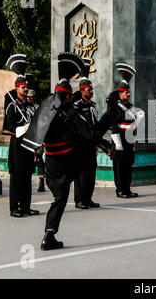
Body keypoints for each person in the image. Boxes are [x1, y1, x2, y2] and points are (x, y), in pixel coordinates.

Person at [22, 52, 112, 250]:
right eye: (71, 96)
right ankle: (52, 232)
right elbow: (87, 134)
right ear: (68, 96)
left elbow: (33, 133)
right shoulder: (69, 112)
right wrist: (105, 146)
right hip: (68, 161)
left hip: (51, 163)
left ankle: (50, 234)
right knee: (84, 166)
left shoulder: (46, 107)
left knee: (60, 197)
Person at [97, 63, 144, 198]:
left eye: (129, 92)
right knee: (119, 166)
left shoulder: (128, 105)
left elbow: (134, 120)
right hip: (119, 138)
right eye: (126, 92)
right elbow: (113, 124)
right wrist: (117, 141)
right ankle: (120, 190)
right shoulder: (114, 107)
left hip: (129, 138)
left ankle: (127, 188)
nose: (128, 94)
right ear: (120, 93)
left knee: (128, 165)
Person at [4, 54, 39, 217]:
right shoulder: (12, 105)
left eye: (26, 87)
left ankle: (26, 206)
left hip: (29, 144)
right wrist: (24, 127)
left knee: (27, 175)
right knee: (17, 176)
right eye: (23, 87)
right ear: (16, 88)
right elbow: (10, 126)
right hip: (17, 144)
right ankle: (14, 208)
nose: (26, 89)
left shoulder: (30, 106)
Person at [72, 58, 101, 209]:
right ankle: (79, 199)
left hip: (91, 144)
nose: (91, 91)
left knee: (91, 171)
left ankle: (88, 198)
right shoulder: (76, 106)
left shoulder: (93, 105)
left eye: (91, 89)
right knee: (81, 173)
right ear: (82, 91)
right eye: (89, 89)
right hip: (80, 144)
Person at [27, 89, 46, 193]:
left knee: (39, 159)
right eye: (28, 97)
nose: (30, 99)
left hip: (37, 136)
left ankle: (41, 182)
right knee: (28, 160)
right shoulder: (24, 106)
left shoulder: (38, 108)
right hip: (27, 136)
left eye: (32, 97)